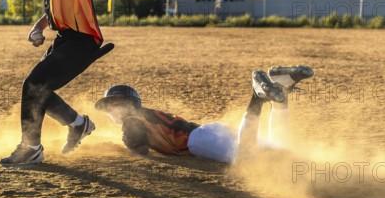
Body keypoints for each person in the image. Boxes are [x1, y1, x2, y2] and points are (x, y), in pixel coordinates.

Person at [0, 0, 108, 167]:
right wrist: (39, 26)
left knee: (34, 85)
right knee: (40, 90)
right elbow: (54, 3)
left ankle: (31, 148)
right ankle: (78, 124)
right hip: (69, 38)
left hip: (82, 40)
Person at [94, 66, 314, 164]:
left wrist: (125, 148)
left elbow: (141, 152)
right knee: (279, 151)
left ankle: (256, 98)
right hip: (209, 132)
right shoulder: (144, 114)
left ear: (127, 105)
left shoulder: (132, 121)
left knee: (245, 159)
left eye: (112, 105)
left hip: (199, 141)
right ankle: (283, 89)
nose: (110, 110)